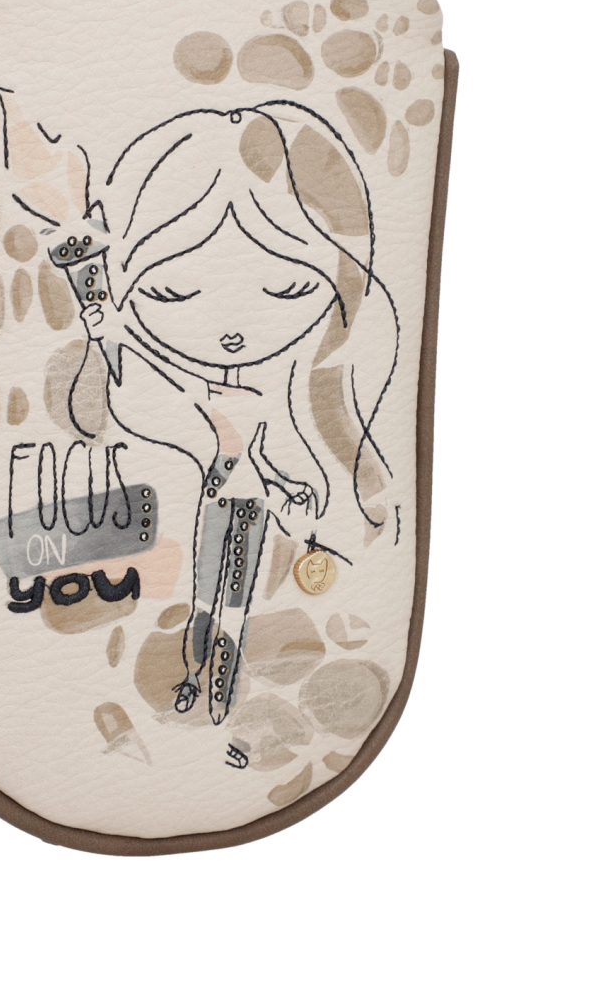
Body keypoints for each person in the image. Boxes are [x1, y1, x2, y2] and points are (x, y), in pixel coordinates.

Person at [74, 103, 392, 725]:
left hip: (247, 498)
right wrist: (112, 329)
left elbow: (258, 455)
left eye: (288, 288)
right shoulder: (202, 389)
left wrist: (288, 488)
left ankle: (216, 689)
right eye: (172, 291)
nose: (231, 334)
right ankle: (196, 680)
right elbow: (166, 372)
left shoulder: (270, 398)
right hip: (223, 496)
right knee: (206, 594)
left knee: (234, 601)